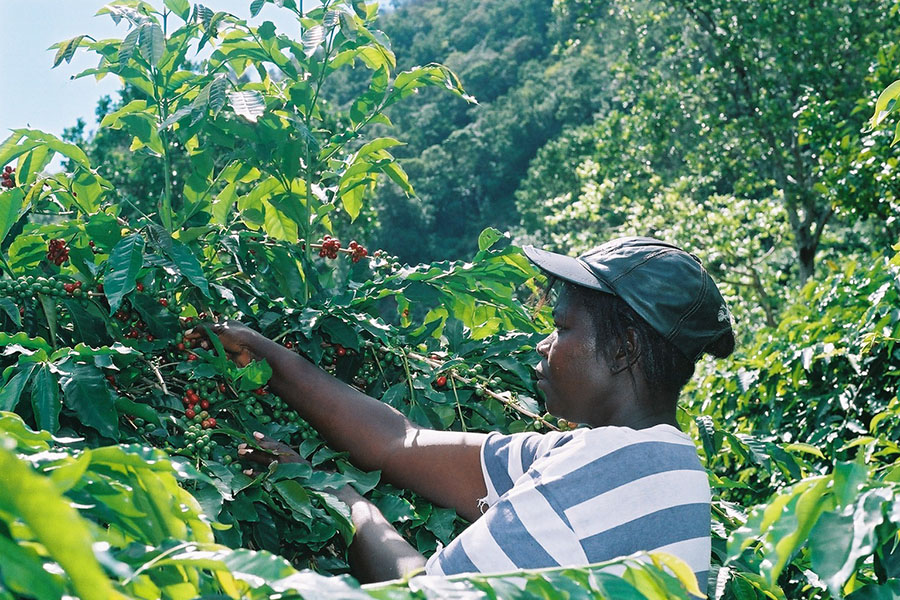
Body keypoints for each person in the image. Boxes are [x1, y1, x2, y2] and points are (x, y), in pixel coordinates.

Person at [199, 236, 735, 591]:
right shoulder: (669, 464)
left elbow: (419, 595)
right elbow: (398, 442)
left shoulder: (595, 473)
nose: (543, 346)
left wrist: (340, 497)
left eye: (564, 328)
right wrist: (267, 354)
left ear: (624, 349)